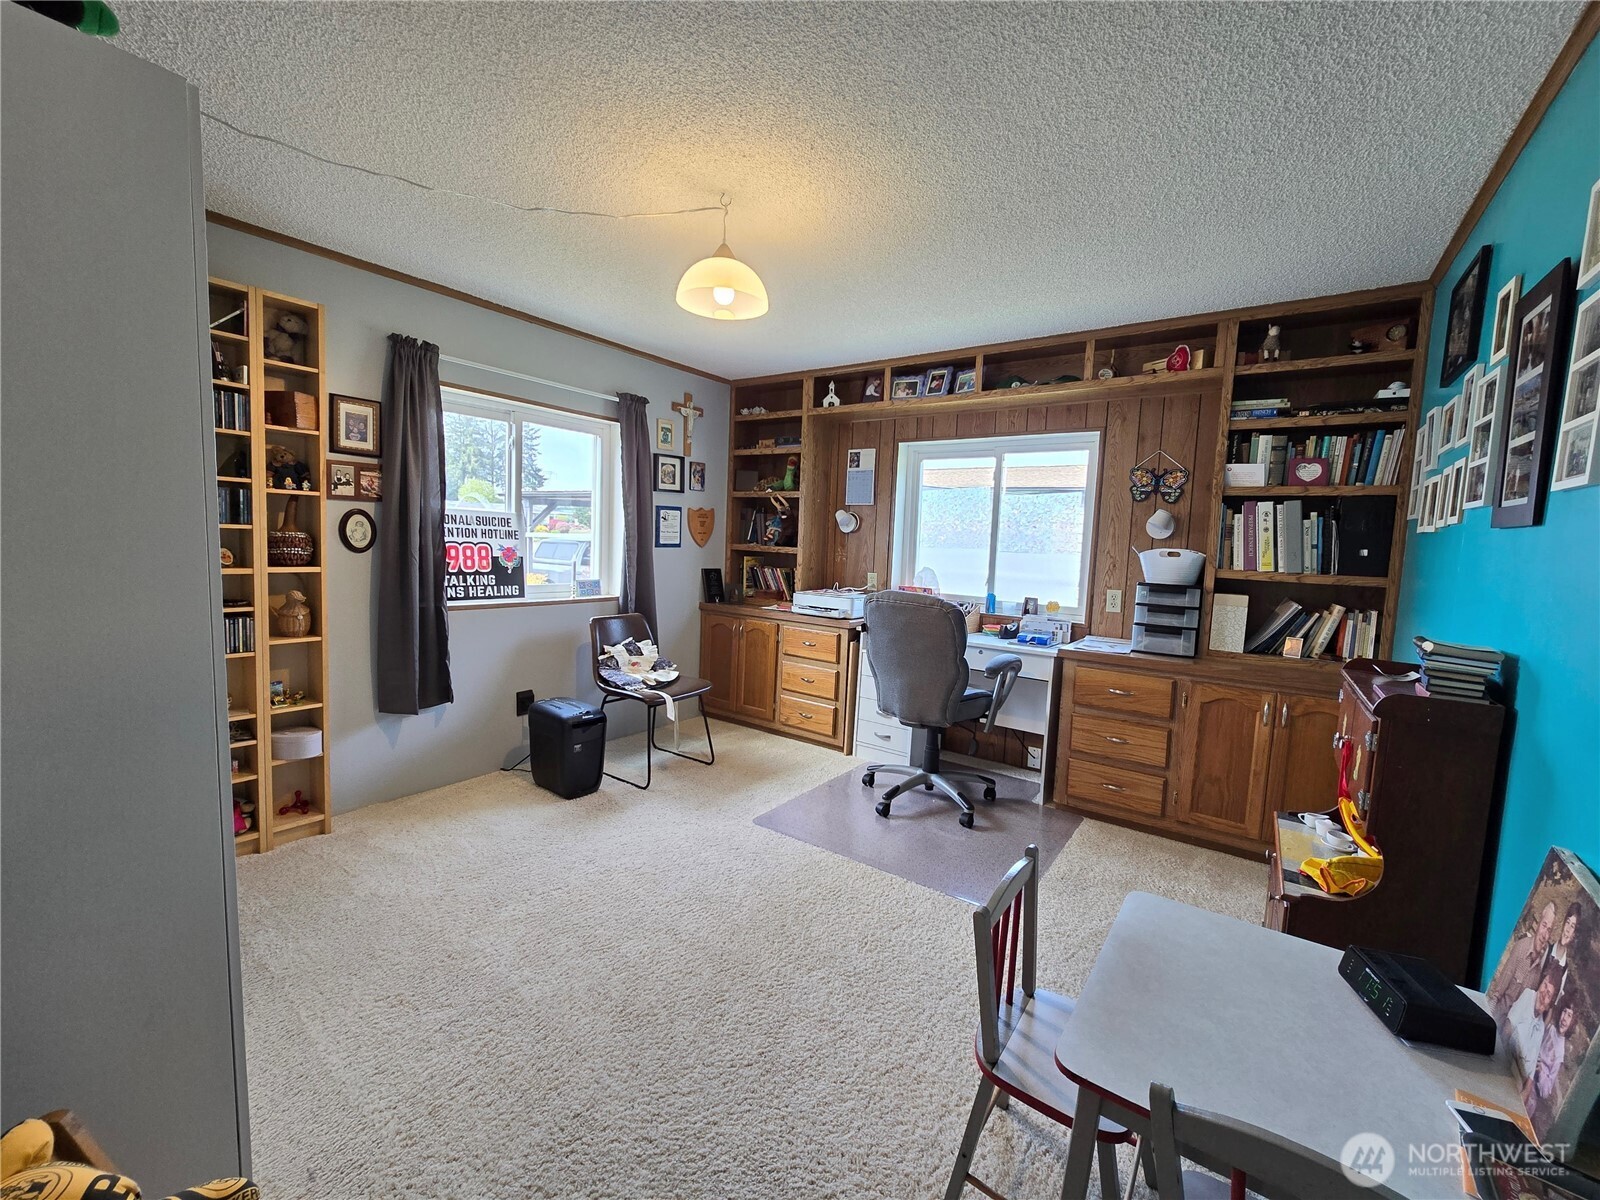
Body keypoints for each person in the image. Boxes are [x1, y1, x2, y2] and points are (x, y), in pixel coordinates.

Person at [1493, 900, 1557, 1011]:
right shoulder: (1521, 948)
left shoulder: (1538, 970)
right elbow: (1496, 996)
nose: (1544, 934)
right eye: (1544, 925)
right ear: (1538, 924)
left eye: (1549, 930)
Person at [1506, 961, 1563, 1081]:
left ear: (1549, 1006)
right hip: (1506, 1066)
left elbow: (1530, 1076)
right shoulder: (1528, 996)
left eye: (1548, 994)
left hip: (1518, 1079)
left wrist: (1525, 1090)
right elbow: (1506, 1030)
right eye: (1544, 985)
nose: (1543, 993)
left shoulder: (1541, 1027)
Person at [1526, 995, 1580, 1110]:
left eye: (1569, 1016)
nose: (1564, 1018)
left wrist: (1540, 1070)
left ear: (1572, 1022)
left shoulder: (1559, 1053)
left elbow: (1545, 1091)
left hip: (1533, 1088)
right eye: (1564, 1012)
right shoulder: (1550, 1028)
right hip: (1525, 1066)